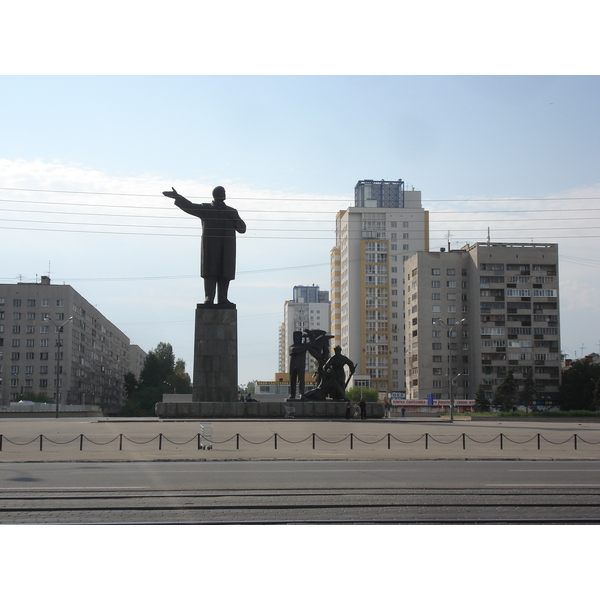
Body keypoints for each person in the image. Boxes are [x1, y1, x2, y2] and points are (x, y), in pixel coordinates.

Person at [163, 186, 246, 306]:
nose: (223, 194)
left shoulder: (231, 211)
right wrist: (178, 197)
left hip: (227, 247)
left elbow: (242, 229)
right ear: (215, 194)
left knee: (225, 272)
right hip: (211, 246)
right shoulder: (206, 208)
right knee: (210, 272)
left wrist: (234, 219)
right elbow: (190, 207)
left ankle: (223, 298)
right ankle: (209, 297)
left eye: (223, 192)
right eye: (221, 192)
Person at [288, 331, 309, 400]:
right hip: (293, 365)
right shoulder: (292, 346)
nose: (297, 339)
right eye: (296, 337)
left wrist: (310, 335)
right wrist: (304, 347)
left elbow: (312, 344)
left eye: (298, 337)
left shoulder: (304, 346)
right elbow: (294, 350)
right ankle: (292, 395)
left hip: (301, 365)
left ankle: (302, 394)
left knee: (301, 381)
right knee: (292, 380)